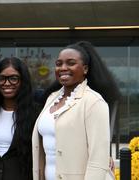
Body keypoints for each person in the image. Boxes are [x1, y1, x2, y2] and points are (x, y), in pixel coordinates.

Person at [32, 41, 120, 180]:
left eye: (71, 63)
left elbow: (98, 159)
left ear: (85, 69)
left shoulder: (94, 102)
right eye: (59, 63)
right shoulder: (51, 99)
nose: (63, 68)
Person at [0, 57, 37, 180]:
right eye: (2, 78)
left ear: (23, 81)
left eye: (14, 78)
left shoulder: (36, 113)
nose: (7, 83)